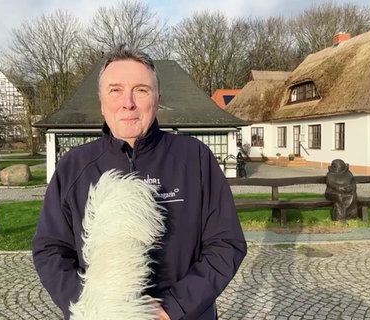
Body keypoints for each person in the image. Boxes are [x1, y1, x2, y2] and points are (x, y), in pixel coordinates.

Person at [32, 45, 247, 320]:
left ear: (158, 99)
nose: (128, 103)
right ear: (101, 101)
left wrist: (173, 308)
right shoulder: (73, 166)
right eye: (115, 90)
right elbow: (50, 249)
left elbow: (227, 243)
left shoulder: (195, 158)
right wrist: (94, 309)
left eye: (141, 90)